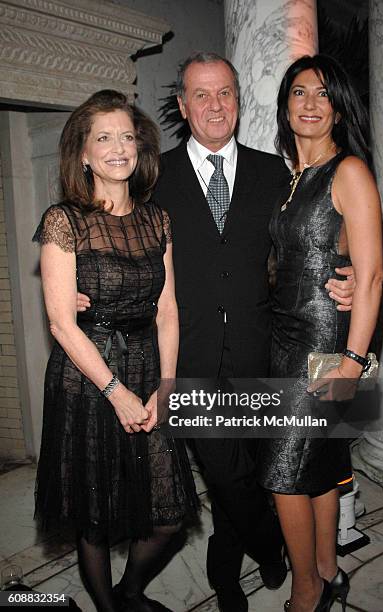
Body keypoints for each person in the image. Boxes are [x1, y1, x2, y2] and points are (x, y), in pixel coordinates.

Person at [76, 53, 355, 612]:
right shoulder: (154, 176)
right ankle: (271, 546)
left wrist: (342, 275)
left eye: (224, 93)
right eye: (200, 95)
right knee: (227, 476)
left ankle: (227, 578)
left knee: (258, 467)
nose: (214, 105)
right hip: (190, 356)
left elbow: (317, 234)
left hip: (268, 351)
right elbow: (110, 223)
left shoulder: (276, 174)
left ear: (238, 100)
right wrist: (85, 283)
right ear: (183, 105)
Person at [33, 90, 198, 612]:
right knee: (96, 512)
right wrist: (115, 392)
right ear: (83, 153)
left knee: (169, 513)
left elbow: (168, 310)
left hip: (149, 365)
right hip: (88, 375)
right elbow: (61, 323)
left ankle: (130, 594)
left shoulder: (157, 220)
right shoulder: (65, 221)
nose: (118, 147)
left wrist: (165, 385)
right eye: (103, 137)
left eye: (127, 136)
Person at [257, 54, 383, 612]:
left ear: (338, 108)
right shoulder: (293, 180)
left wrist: (354, 359)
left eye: (324, 94)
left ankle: (307, 592)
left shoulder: (348, 171)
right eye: (300, 92)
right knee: (321, 464)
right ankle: (329, 570)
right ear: (286, 106)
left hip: (328, 347)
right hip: (286, 341)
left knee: (283, 476)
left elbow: (374, 271)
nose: (311, 103)